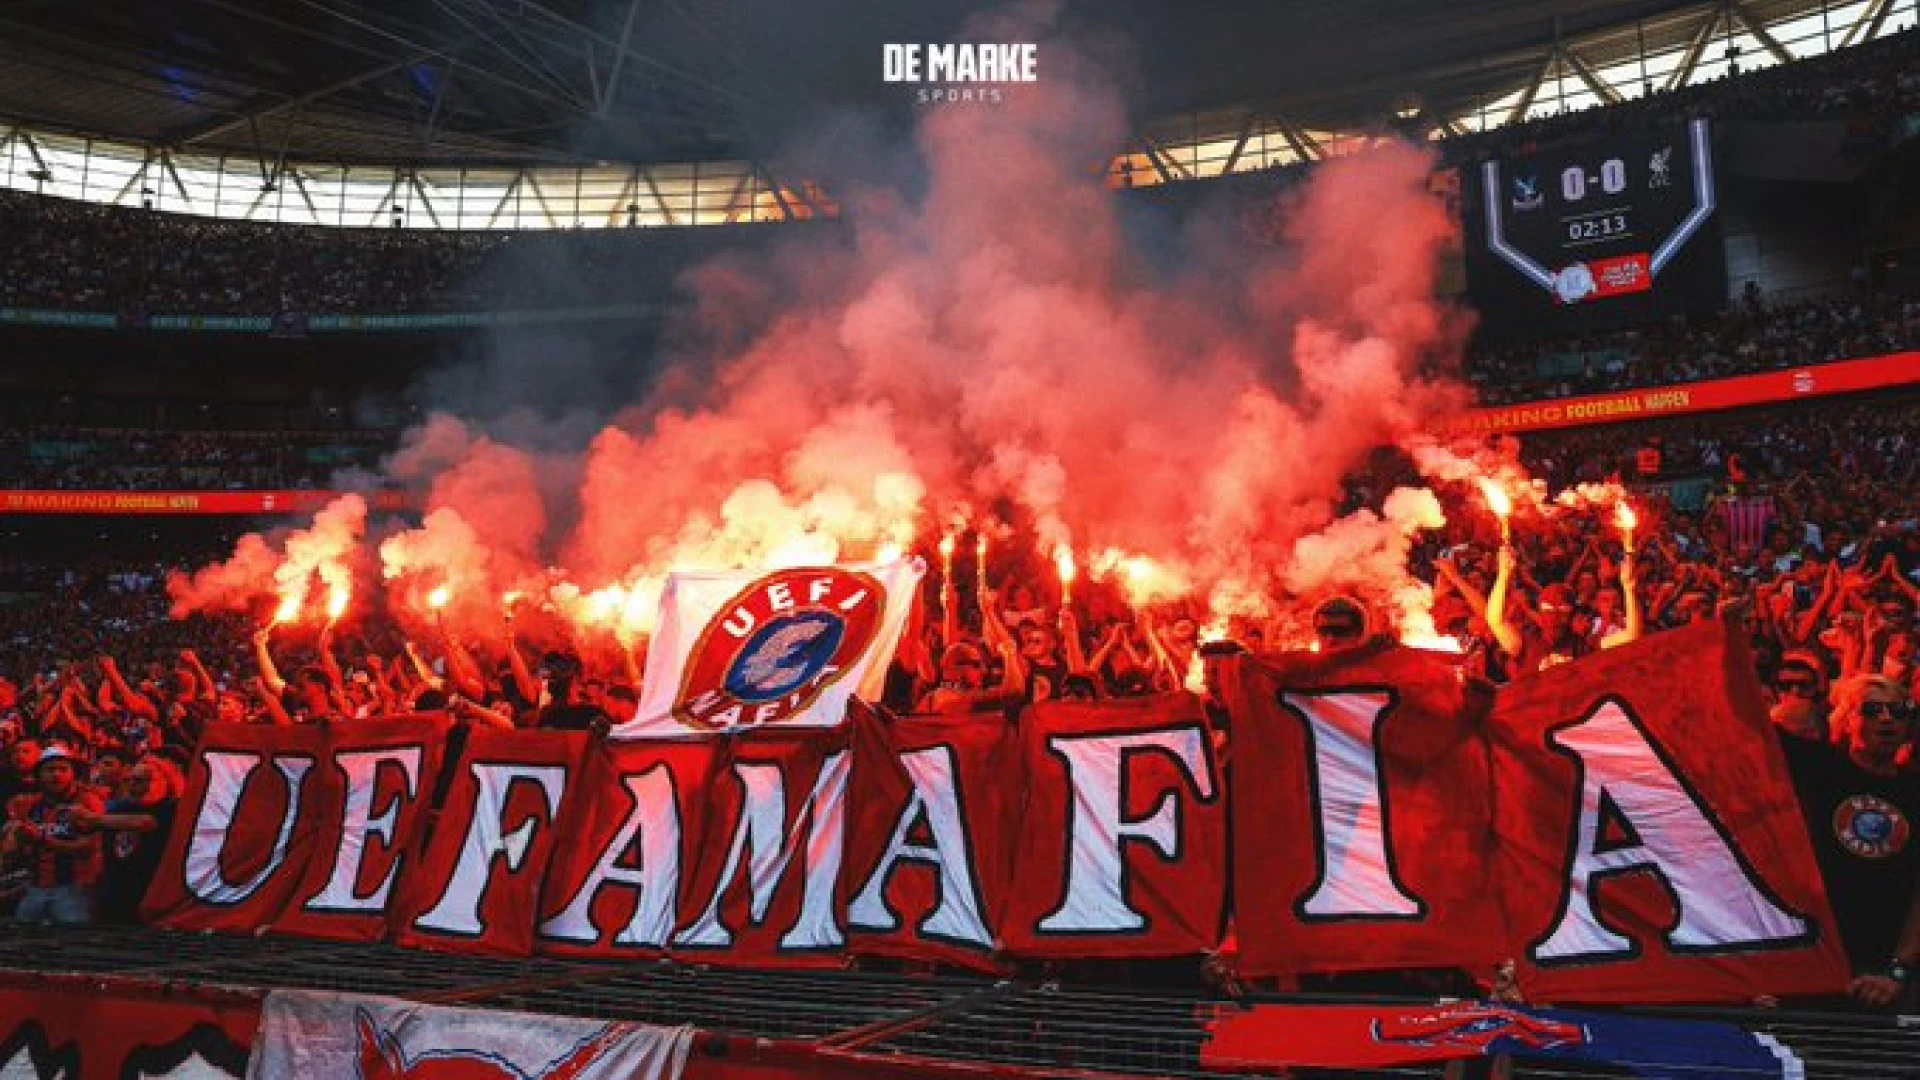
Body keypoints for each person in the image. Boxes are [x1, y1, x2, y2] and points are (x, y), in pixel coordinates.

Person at [1776, 674, 1920, 1007]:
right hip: (1814, 963)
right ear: (1846, 719)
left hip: (1886, 972)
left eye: (1898, 711)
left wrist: (1897, 970)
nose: (1886, 718)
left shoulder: (1915, 792)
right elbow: (1744, 718)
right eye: (1872, 709)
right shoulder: (1818, 766)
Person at [2, 744, 106, 925]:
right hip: (36, 887)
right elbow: (13, 848)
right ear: (39, 775)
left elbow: (89, 847)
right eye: (50, 770)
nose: (56, 775)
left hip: (76, 889)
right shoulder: (29, 805)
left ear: (73, 773)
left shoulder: (89, 802)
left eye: (63, 769)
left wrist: (42, 839)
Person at [75, 754, 179, 924]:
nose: (132, 786)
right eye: (129, 780)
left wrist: (94, 819)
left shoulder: (171, 808)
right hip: (117, 893)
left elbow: (146, 823)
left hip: (154, 893)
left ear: (164, 781)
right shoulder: (120, 807)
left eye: (140, 781)